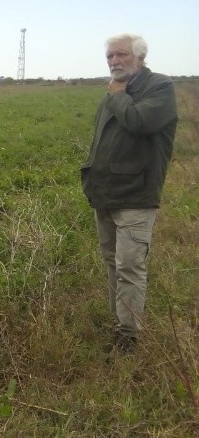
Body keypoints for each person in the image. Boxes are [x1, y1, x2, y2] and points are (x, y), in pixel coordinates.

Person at [80, 33, 178, 353]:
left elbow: (140, 121)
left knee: (130, 266)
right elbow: (101, 141)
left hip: (136, 194)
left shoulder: (159, 87)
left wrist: (119, 94)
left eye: (121, 54)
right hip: (106, 192)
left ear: (140, 56)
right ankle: (119, 320)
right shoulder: (113, 92)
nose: (114, 61)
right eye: (110, 56)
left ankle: (128, 336)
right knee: (113, 262)